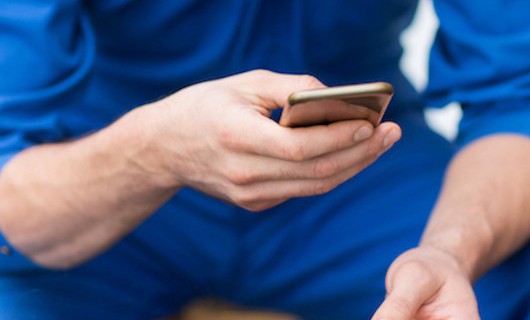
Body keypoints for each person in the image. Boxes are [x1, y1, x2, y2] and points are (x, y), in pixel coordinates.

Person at [0, 1, 529, 319]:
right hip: (114, 170)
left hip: (360, 174)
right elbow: (9, 176)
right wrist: (154, 151)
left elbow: (515, 102)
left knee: (488, 290)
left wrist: (449, 253)